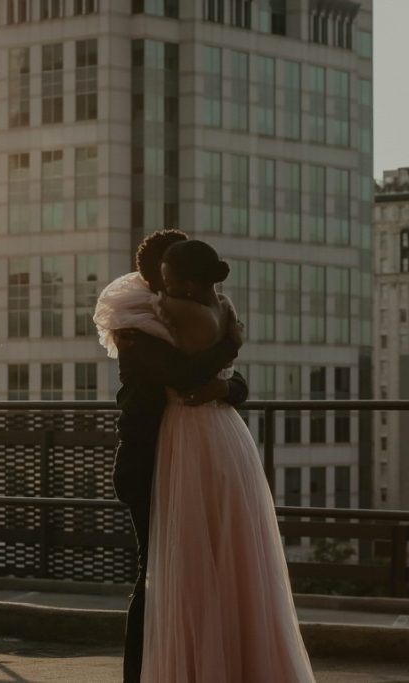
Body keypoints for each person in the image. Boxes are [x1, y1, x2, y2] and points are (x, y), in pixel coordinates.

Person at [141, 239, 315, 683]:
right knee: (236, 546)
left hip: (191, 430)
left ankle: (205, 666)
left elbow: (185, 372)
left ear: (188, 282)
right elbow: (227, 372)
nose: (164, 288)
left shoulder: (171, 310)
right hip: (229, 432)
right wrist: (228, 369)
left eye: (169, 281)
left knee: (194, 551)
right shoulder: (225, 309)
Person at [92, 229, 250, 683]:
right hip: (147, 461)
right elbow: (182, 376)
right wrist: (231, 342)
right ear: (164, 279)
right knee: (154, 575)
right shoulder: (137, 327)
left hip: (194, 457)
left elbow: (226, 380)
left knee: (204, 569)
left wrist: (231, 383)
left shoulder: (189, 318)